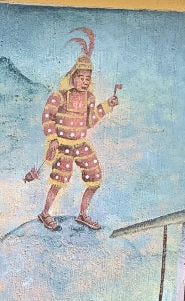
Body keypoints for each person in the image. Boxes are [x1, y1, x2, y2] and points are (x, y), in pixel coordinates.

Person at [28, 27, 121, 232]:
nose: (85, 82)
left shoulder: (89, 98)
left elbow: (89, 121)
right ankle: (45, 213)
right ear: (73, 77)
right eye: (81, 77)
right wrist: (53, 138)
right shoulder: (59, 96)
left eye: (88, 78)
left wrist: (108, 105)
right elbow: (47, 117)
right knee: (58, 180)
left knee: (95, 178)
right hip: (62, 146)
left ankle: (82, 214)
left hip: (80, 144)